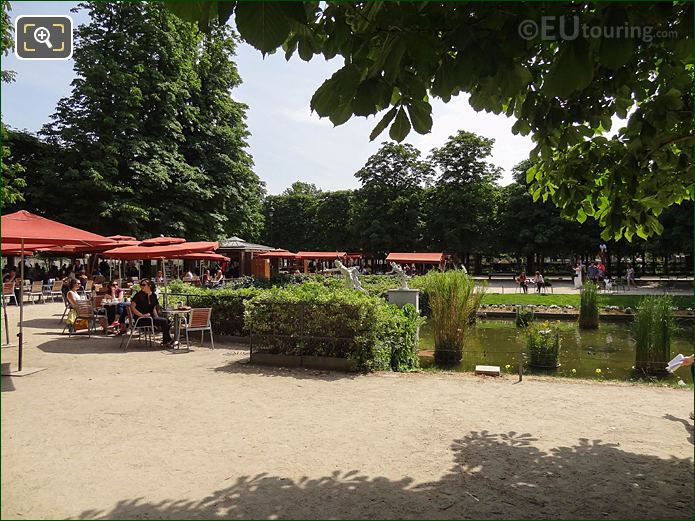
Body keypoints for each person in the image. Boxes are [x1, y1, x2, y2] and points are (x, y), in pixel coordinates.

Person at [118, 279, 172, 346]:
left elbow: (154, 309)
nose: (141, 286)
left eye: (143, 285)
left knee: (167, 321)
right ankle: (168, 340)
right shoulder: (138, 295)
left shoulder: (153, 296)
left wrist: (157, 317)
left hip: (150, 318)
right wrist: (142, 315)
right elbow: (132, 307)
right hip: (140, 319)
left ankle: (166, 340)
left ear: (149, 286)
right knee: (164, 321)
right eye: (141, 285)